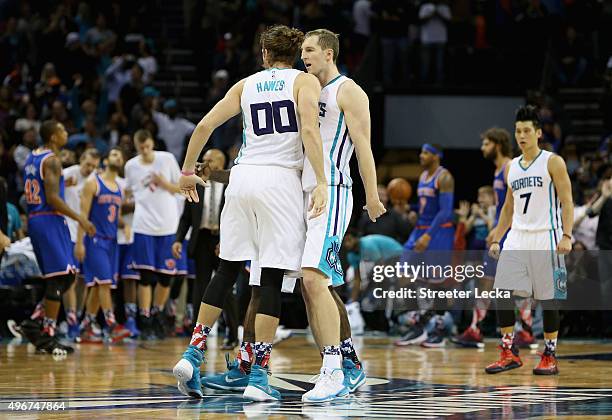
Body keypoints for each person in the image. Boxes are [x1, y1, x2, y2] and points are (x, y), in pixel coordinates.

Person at [172, 25, 327, 402]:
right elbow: (309, 128)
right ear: (294, 55)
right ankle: (258, 375)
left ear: (264, 53)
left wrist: (188, 171)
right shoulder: (304, 83)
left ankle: (193, 352)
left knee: (226, 268)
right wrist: (321, 180)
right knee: (270, 278)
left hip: (241, 179)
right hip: (280, 182)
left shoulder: (245, 85)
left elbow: (205, 125)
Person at [486, 105, 573, 375]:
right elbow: (508, 208)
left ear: (537, 133)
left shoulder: (552, 161)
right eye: (518, 131)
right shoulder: (511, 166)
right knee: (501, 292)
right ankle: (509, 351)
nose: (521, 135)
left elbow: (567, 202)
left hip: (547, 235)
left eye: (526, 131)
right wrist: (498, 236)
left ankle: (550, 354)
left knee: (548, 299)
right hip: (518, 237)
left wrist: (567, 235)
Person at [19, 120, 96, 355]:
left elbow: (42, 188)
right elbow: (52, 197)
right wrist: (81, 218)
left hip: (38, 219)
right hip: (48, 218)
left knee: (67, 276)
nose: (66, 133)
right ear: (53, 137)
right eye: (62, 130)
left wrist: (64, 183)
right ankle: (46, 334)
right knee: (60, 277)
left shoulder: (33, 157)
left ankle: (34, 324)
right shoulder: (52, 160)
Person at [173, 149, 239, 348]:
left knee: (226, 288)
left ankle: (232, 334)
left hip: (222, 239)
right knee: (200, 287)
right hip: (201, 239)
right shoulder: (196, 184)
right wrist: (177, 239)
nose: (203, 162)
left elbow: (235, 217)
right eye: (203, 159)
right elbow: (186, 217)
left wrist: (226, 239)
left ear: (220, 163)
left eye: (209, 160)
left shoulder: (231, 184)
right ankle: (197, 338)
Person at [453, 128, 513, 348]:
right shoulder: (499, 169)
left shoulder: (508, 167)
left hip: (508, 234)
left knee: (498, 283)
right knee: (489, 282)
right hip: (501, 232)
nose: (482, 148)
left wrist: (498, 230)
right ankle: (475, 328)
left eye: (486, 144)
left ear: (497, 144)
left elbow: (513, 205)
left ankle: (478, 329)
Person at [395, 143, 455, 347]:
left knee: (436, 283)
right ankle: (419, 323)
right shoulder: (422, 177)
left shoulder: (444, 177)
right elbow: (425, 208)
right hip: (420, 229)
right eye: (421, 151)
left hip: (439, 232)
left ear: (437, 156)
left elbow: (445, 211)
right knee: (404, 272)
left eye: (426, 153)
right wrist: (409, 208)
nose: (421, 155)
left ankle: (438, 328)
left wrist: (429, 235)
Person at [124, 129, 182, 340]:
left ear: (152, 143)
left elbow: (181, 188)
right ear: (136, 146)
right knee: (146, 276)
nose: (145, 151)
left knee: (166, 277)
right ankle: (145, 318)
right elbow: (128, 193)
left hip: (168, 225)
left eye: (148, 146)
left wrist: (163, 183)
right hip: (143, 225)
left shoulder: (167, 159)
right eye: (141, 148)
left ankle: (157, 312)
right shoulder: (131, 166)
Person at [74, 147, 131, 343]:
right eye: (114, 154)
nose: (118, 157)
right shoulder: (93, 183)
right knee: (105, 283)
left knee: (99, 286)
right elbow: (83, 215)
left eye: (120, 156)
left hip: (112, 241)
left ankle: (87, 325)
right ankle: (112, 325)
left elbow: (112, 215)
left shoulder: (119, 187)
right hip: (94, 240)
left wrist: (126, 226)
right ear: (106, 161)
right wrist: (80, 243)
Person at [63, 148, 101, 340]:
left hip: (87, 233)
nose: (90, 169)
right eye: (87, 165)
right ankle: (70, 321)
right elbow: (49, 193)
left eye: (94, 166)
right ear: (80, 159)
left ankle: (78, 318)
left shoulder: (96, 179)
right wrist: (63, 185)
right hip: (67, 230)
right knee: (70, 277)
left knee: (85, 279)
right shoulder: (67, 173)